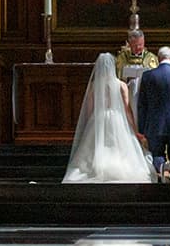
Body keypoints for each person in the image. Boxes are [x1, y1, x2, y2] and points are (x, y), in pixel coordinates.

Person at [63, 53, 156, 184]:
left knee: (94, 148)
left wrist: (89, 126)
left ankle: (97, 168)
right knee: (120, 147)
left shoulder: (94, 86)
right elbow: (127, 110)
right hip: (117, 119)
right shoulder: (121, 85)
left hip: (99, 118)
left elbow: (90, 109)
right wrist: (134, 129)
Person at [133, 46, 170, 184]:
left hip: (155, 123)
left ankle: (161, 167)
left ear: (158, 59)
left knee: (157, 152)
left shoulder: (148, 76)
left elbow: (142, 104)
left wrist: (141, 128)